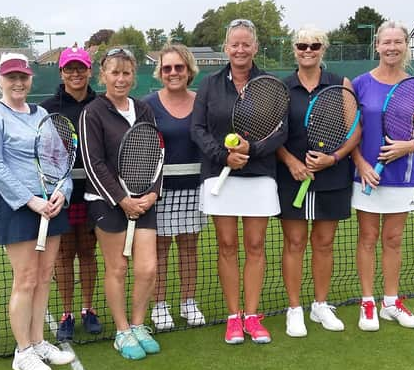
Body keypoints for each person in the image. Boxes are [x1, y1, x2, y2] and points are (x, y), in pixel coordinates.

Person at [0, 53, 75, 370]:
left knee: (45, 277)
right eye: (11, 77)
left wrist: (62, 191)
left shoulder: (42, 113)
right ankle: (23, 352)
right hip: (16, 207)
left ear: (30, 79)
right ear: (0, 80)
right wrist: (30, 200)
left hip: (50, 204)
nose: (18, 82)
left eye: (23, 77)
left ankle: (39, 341)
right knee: (26, 279)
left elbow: (60, 159)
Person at [191, 19, 288, 344]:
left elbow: (281, 131)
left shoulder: (272, 84)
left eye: (246, 44)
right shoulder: (209, 85)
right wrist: (223, 156)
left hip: (258, 175)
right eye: (235, 44)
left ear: (256, 47)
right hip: (220, 176)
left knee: (256, 246)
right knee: (227, 246)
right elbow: (198, 129)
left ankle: (252, 315)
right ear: (226, 48)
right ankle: (234, 318)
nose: (240, 49)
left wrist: (254, 149)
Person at [276, 26, 361, 337]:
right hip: (292, 178)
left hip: (332, 178)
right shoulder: (282, 88)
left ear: (323, 49)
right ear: (294, 49)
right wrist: (290, 161)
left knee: (324, 244)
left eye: (314, 45)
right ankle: (295, 309)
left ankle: (320, 305)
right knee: (294, 243)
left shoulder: (341, 84)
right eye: (302, 45)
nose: (307, 50)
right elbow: (273, 133)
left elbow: (355, 131)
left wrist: (333, 158)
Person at [79, 47, 161, 360]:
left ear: (134, 76)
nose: (121, 79)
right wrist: (122, 200)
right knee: (117, 267)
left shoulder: (144, 110)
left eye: (127, 73)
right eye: (115, 72)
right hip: (106, 202)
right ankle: (122, 330)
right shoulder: (93, 112)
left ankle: (139, 325)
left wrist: (152, 193)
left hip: (145, 201)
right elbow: (92, 162)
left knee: (148, 268)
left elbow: (156, 153)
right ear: (103, 75)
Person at [351, 20, 414, 331]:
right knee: (367, 239)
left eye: (398, 41)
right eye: (386, 42)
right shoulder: (359, 84)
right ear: (377, 46)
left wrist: (408, 145)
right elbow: (351, 133)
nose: (392, 47)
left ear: (405, 46)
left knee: (393, 240)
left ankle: (391, 302)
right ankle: (367, 302)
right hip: (367, 175)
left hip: (402, 174)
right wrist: (361, 165)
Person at [142, 44, 207, 331]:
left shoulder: (202, 101)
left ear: (189, 70)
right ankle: (159, 306)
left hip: (195, 187)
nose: (173, 73)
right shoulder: (147, 105)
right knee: (160, 250)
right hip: (160, 191)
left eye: (179, 67)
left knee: (189, 247)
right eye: (167, 68)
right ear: (160, 72)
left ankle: (189, 302)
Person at [40, 46, 102, 342]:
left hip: (94, 193)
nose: (75, 74)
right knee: (64, 255)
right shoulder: (47, 107)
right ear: (61, 72)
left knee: (88, 253)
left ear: (90, 71)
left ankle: (89, 309)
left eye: (81, 68)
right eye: (69, 69)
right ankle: (67, 313)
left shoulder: (102, 105)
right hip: (60, 194)